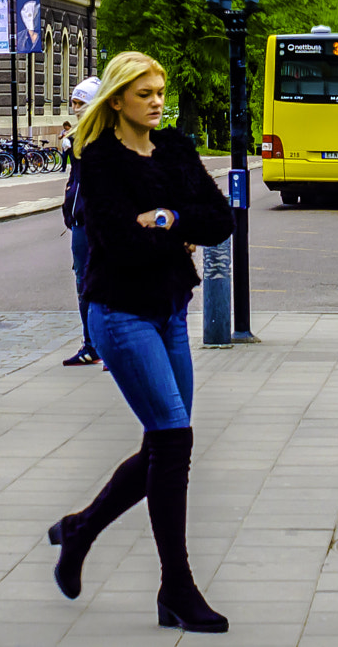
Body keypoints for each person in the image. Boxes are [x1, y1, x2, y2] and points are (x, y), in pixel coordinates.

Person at [48, 52, 234, 633]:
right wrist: (172, 230)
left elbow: (220, 220)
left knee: (164, 443)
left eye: (161, 91)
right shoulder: (99, 159)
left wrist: (167, 220)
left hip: (172, 310)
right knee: (174, 439)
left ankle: (80, 530)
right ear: (118, 99)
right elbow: (116, 243)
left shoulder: (175, 148)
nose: (157, 101)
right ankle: (176, 585)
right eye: (145, 93)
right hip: (120, 315)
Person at [61, 75, 103, 366]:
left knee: (104, 282)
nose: (76, 108)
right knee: (83, 283)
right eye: (74, 103)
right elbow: (74, 182)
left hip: (101, 222)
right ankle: (91, 344)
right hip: (80, 223)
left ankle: (106, 344)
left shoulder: (105, 139)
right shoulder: (76, 139)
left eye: (81, 103)